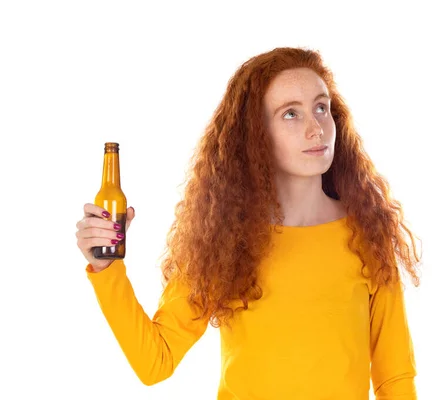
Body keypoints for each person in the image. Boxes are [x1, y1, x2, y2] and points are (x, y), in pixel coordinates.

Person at [75, 46, 422, 400]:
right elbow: (155, 362)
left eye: (321, 108)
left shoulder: (367, 234)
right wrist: (106, 269)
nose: (316, 128)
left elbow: (395, 378)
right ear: (257, 135)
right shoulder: (225, 242)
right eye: (290, 114)